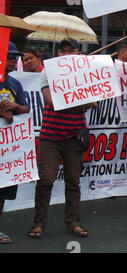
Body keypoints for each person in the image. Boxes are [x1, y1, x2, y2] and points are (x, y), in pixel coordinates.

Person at [28, 38, 97, 239]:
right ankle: (39, 222)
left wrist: (78, 99)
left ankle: (73, 222)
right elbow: (51, 100)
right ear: (58, 53)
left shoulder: (85, 73)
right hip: (50, 136)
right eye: (63, 51)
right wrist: (81, 101)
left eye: (71, 51)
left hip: (74, 136)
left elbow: (95, 102)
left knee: (73, 181)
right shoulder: (47, 72)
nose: (67, 54)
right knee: (45, 179)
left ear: (77, 53)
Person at [0, 42, 31, 244]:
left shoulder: (14, 83)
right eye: (10, 56)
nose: (14, 60)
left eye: (15, 57)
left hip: (7, 150)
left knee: (2, 189)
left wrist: (14, 106)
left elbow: (26, 108)